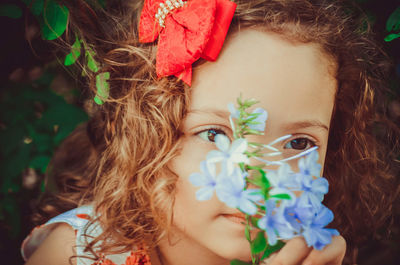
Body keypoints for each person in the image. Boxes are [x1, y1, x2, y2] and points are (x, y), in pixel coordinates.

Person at [21, 0, 399, 265]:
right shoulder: (75, 254)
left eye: (298, 143)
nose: (256, 176)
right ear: (148, 135)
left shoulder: (309, 253)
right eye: (215, 134)